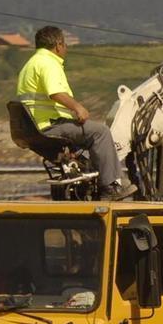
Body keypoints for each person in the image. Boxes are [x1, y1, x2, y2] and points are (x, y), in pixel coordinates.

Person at [16, 26, 135, 200]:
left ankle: (91, 179)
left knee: (87, 140)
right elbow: (55, 92)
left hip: (34, 128)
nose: (66, 48)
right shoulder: (49, 63)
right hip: (49, 126)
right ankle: (110, 187)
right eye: (65, 44)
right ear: (58, 45)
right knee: (100, 132)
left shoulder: (30, 64)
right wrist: (77, 107)